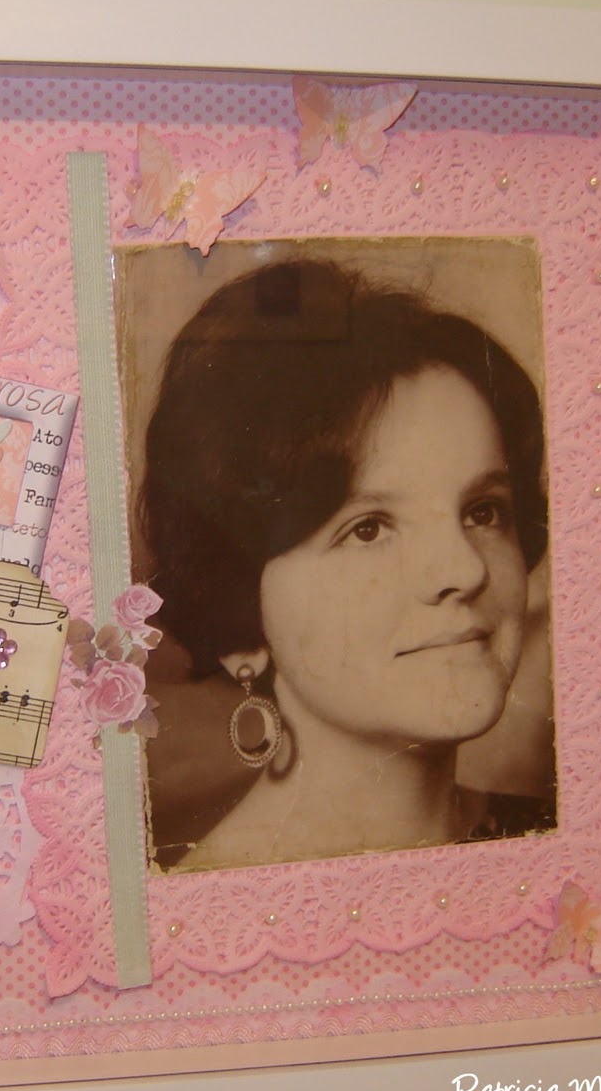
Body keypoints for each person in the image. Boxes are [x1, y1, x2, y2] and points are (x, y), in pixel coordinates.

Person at [139, 257, 553, 871]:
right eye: (368, 529)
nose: (465, 570)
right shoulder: (205, 915)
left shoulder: (567, 850)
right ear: (241, 621)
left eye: (483, 512)